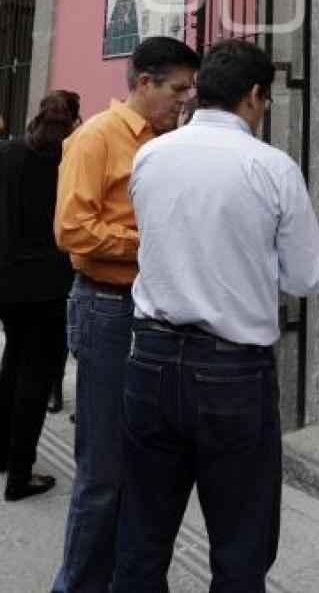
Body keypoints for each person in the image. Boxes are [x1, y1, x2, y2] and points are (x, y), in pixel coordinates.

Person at [110, 38, 319, 592]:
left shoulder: (152, 154)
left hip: (150, 358)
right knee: (239, 546)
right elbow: (304, 277)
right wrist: (251, 263)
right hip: (231, 372)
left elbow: (161, 236)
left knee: (141, 534)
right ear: (256, 95)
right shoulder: (273, 167)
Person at [52, 37, 199, 593]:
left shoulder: (169, 140)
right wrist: (151, 243)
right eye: (178, 88)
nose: (186, 99)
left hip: (151, 312)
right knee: (103, 473)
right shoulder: (95, 138)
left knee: (146, 465)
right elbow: (72, 231)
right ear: (144, 84)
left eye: (191, 89)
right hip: (107, 311)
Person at [0, 90, 81, 501]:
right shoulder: (67, 163)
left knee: (12, 362)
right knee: (35, 375)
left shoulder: (9, 153)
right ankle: (20, 474)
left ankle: (3, 453)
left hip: (8, 280)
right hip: (48, 284)